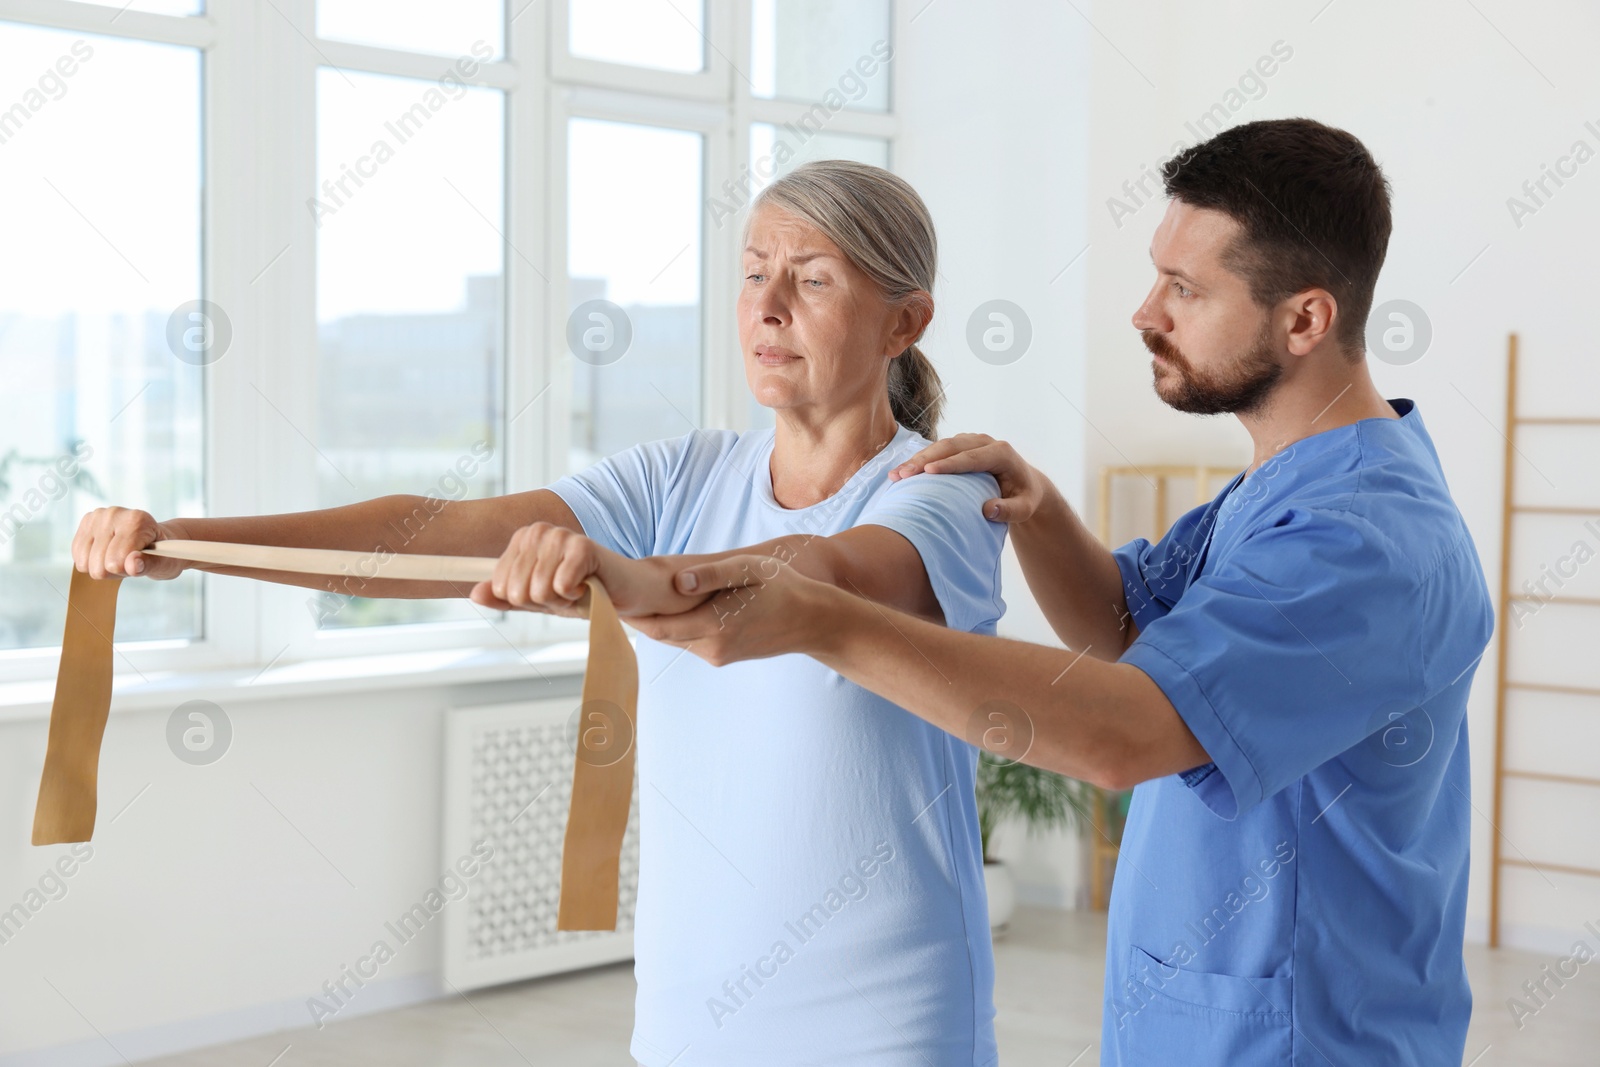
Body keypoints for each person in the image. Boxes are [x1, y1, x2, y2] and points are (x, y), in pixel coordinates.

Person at [73, 161, 1006, 1065]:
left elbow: (807, 580)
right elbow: (435, 531)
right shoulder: (686, 474)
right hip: (691, 1016)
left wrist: (617, 573)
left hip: (884, 1022)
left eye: (811, 281)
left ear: (904, 323)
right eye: (755, 273)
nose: (768, 307)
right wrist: (185, 541)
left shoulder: (938, 490)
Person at [628, 119, 1497, 1066]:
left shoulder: (1365, 543)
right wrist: (1038, 513)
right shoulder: (1281, 487)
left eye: (1184, 289)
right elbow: (1127, 628)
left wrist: (824, 621)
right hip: (1190, 1025)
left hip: (1301, 1038)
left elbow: (1125, 731)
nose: (1144, 313)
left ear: (1305, 320)